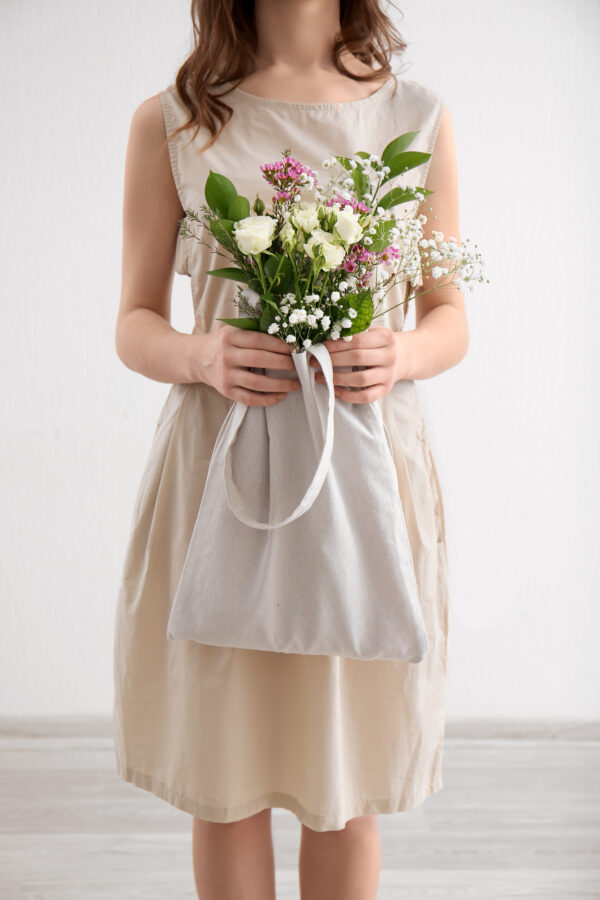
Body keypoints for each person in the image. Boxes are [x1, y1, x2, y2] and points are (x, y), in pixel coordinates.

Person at [112, 0, 467, 897]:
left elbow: (451, 319)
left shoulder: (414, 114)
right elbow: (133, 323)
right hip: (220, 473)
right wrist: (202, 353)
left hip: (363, 476)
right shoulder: (175, 121)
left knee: (343, 782)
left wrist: (402, 353)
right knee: (223, 781)